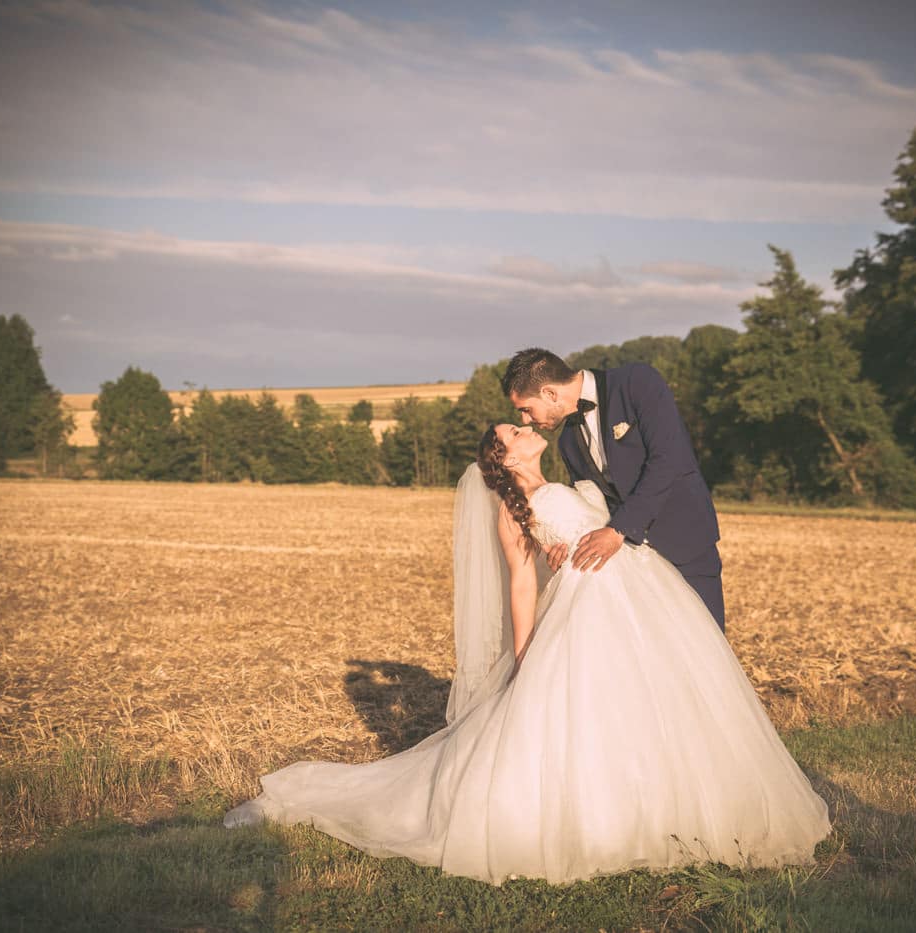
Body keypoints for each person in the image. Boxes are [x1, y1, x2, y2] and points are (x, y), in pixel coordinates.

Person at [222, 422, 831, 885]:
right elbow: (520, 582)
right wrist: (525, 654)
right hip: (587, 611)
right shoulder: (511, 507)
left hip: (642, 600)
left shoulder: (564, 483)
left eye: (520, 419)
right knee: (586, 714)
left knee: (653, 704)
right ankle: (605, 823)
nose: (524, 427)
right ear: (504, 456)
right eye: (513, 430)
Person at [501, 348, 726, 629]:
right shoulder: (568, 442)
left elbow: (669, 460)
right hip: (631, 569)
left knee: (705, 648)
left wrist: (619, 529)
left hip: (684, 544)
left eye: (525, 409)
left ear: (549, 393)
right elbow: (591, 507)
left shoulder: (637, 382)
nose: (525, 420)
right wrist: (567, 544)